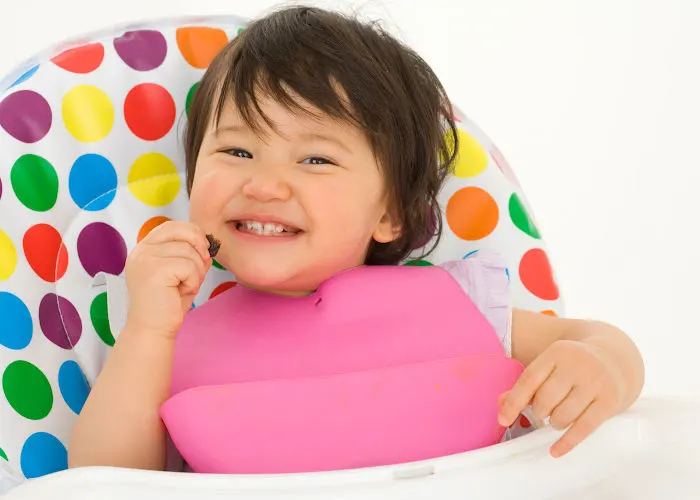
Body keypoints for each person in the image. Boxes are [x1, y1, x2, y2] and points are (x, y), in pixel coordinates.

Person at [68, 5, 644, 472]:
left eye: (315, 159)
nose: (265, 185)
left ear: (392, 213)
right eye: (237, 151)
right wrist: (147, 329)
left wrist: (603, 367)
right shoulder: (167, 344)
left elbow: (596, 340)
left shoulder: (463, 304)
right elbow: (98, 483)